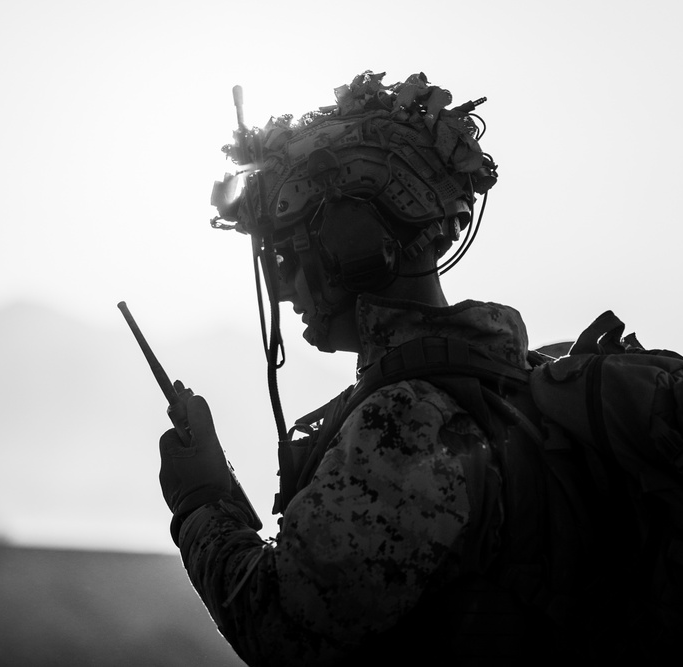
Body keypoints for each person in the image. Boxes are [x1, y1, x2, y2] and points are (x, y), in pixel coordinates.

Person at [158, 71, 596, 666]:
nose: (283, 288)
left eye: (288, 256)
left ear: (352, 247)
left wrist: (202, 501)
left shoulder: (409, 420)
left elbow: (284, 631)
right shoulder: (510, 376)